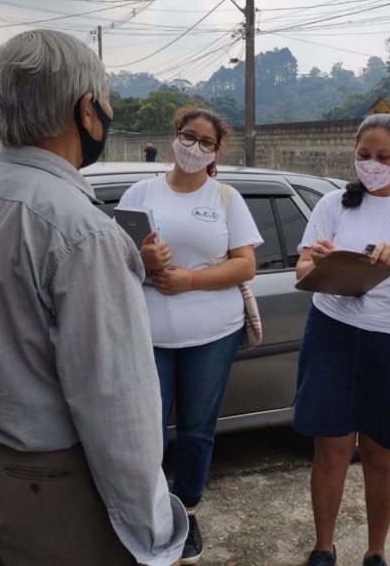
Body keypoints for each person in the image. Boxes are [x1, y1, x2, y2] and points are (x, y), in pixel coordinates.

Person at [0, 30, 186, 566]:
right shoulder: (82, 231)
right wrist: (156, 531)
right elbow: (117, 404)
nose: (108, 110)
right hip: (46, 482)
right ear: (87, 109)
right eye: (107, 100)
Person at [294, 113, 390, 566]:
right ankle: (323, 547)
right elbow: (303, 271)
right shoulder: (333, 204)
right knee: (330, 449)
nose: (372, 164)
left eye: (383, 156)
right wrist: (321, 261)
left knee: (382, 454)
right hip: (333, 334)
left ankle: (376, 552)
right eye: (364, 155)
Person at [118, 107, 263, 565]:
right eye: (188, 136)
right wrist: (148, 262)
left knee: (198, 429)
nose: (195, 147)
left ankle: (188, 509)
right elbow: (118, 263)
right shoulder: (141, 192)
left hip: (212, 334)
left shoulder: (225, 198)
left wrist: (190, 281)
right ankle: (153, 514)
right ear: (174, 135)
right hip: (149, 335)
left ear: (217, 151)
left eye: (206, 142)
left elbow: (245, 264)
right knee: (147, 431)